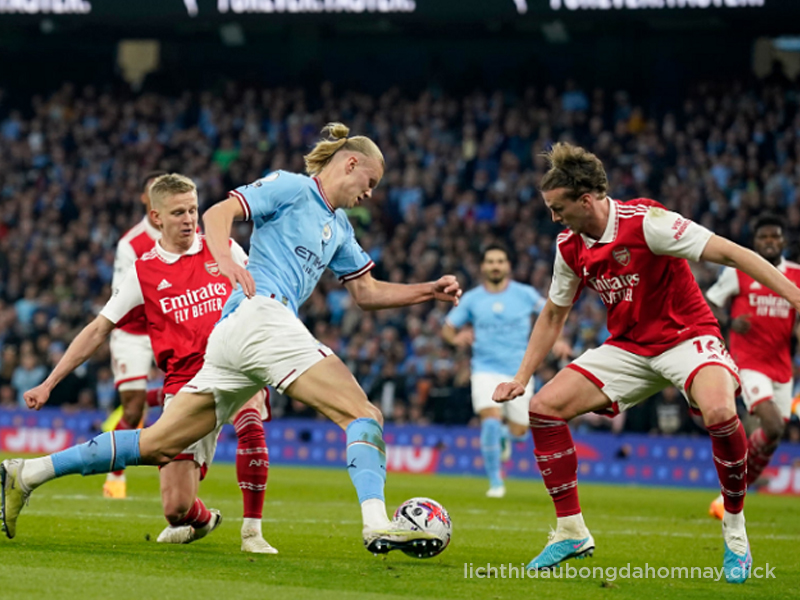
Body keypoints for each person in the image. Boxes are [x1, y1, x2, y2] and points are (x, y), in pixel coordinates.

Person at [2, 123, 462, 558]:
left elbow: (366, 292)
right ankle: (376, 523)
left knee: (159, 443)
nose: (369, 193)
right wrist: (223, 259)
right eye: (372, 181)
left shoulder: (340, 228)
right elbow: (221, 212)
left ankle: (27, 473)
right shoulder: (292, 186)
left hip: (231, 337)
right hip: (261, 315)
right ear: (350, 163)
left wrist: (427, 291)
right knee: (365, 413)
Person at [492, 143, 800, 584]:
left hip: (687, 337)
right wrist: (522, 377)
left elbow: (732, 254)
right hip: (630, 347)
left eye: (559, 208)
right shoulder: (570, 246)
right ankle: (570, 531)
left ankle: (735, 532)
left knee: (720, 413)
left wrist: (793, 295)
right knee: (543, 408)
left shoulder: (649, 223)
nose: (554, 218)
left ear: (586, 200)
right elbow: (555, 313)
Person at [7, 174, 276, 554]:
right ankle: (202, 519)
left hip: (235, 367)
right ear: (156, 217)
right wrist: (49, 382)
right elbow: (98, 329)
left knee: (250, 418)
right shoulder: (143, 272)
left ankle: (253, 532)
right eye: (178, 212)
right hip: (185, 384)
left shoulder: (225, 249)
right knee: (176, 508)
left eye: (194, 210)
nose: (189, 219)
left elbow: (263, 298)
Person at [442, 243, 570, 498]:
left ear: (508, 266)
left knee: (520, 432)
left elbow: (552, 314)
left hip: (519, 372)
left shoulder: (524, 294)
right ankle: (496, 484)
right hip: (484, 370)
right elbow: (447, 327)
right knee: (489, 421)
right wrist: (456, 339)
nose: (495, 266)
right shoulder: (472, 299)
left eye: (500, 261)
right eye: (490, 261)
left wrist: (559, 340)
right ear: (483, 267)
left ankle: (504, 437)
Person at [705, 213, 800, 520]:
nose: (770, 242)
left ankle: (732, 494)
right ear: (755, 242)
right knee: (771, 424)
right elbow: (709, 303)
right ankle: (732, 492)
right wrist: (731, 322)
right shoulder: (739, 272)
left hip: (782, 367)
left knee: (774, 436)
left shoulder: (796, 275)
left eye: (775, 237)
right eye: (764, 238)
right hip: (748, 363)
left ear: (783, 240)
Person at [104, 170, 166, 499]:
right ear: (145, 199)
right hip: (133, 332)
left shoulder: (190, 233)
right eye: (153, 191)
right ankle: (114, 476)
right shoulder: (131, 244)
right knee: (132, 410)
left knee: (186, 399)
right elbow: (122, 295)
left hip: (173, 326)